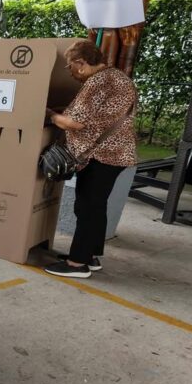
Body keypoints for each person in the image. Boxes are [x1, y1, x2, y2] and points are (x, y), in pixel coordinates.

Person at [43, 40, 138, 279]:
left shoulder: (98, 81)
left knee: (87, 207)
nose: (70, 72)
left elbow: (75, 123)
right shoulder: (118, 77)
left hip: (102, 154)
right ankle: (90, 255)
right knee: (95, 206)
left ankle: (77, 264)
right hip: (115, 153)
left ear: (81, 63)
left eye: (70, 67)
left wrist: (50, 115)